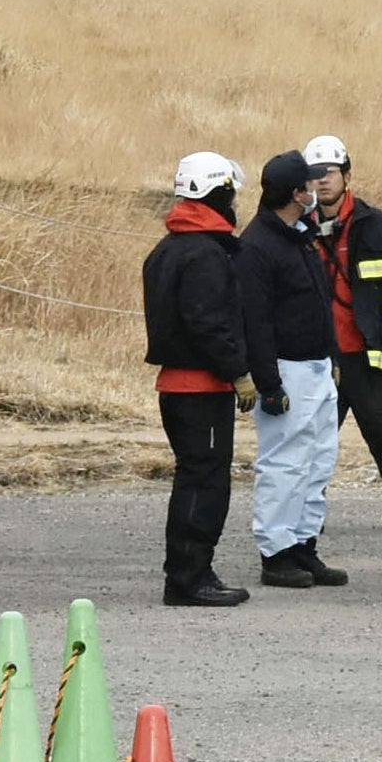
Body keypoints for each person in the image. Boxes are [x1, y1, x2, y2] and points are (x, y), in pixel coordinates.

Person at [142, 151, 256, 608]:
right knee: (204, 482)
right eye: (231, 194)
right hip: (200, 388)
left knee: (196, 477)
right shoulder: (205, 254)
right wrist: (239, 371)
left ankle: (189, 573)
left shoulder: (169, 248)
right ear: (219, 193)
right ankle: (190, 577)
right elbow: (209, 324)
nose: (236, 203)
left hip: (179, 386)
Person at [305, 134, 382, 532]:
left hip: (367, 353)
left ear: (347, 175)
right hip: (317, 357)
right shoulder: (297, 227)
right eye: (314, 174)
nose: (322, 180)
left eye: (329, 172)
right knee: (313, 440)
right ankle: (308, 512)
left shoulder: (375, 224)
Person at [240, 151, 347, 588]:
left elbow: (320, 303)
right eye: (309, 183)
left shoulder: (300, 235)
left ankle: (304, 544)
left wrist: (332, 356)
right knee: (284, 463)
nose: (316, 188)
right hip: (287, 369)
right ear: (295, 193)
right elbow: (255, 320)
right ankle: (276, 551)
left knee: (318, 460)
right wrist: (268, 383)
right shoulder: (257, 246)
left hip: (317, 367)